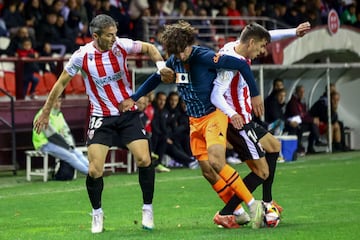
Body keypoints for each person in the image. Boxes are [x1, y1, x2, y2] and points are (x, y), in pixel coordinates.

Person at [33, 14, 174, 234]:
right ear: (96, 36)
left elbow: (149, 48)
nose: (114, 38)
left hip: (127, 113)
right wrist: (45, 111)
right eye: (109, 35)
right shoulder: (81, 56)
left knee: (144, 159)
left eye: (115, 33)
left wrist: (161, 66)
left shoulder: (121, 45)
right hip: (100, 118)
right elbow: (60, 84)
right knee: (95, 169)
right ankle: (97, 213)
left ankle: (147, 208)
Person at [120, 20, 265, 229]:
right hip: (194, 121)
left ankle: (253, 205)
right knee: (207, 171)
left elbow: (241, 64)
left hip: (214, 116)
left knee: (217, 162)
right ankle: (238, 213)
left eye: (182, 51)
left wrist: (256, 95)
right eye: (175, 52)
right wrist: (134, 97)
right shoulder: (174, 60)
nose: (180, 56)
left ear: (189, 43)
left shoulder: (204, 56)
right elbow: (155, 78)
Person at [210, 21, 311, 226]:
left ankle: (267, 202)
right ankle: (226, 212)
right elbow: (215, 94)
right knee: (261, 172)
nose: (263, 51)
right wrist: (232, 114)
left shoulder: (236, 45)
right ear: (251, 43)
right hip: (238, 124)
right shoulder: (231, 62)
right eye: (261, 46)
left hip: (245, 120)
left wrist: (294, 31)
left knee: (274, 146)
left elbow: (266, 35)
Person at [32, 95, 89, 175]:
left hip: (58, 142)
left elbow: (66, 132)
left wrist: (70, 144)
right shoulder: (43, 115)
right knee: (70, 155)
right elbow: (52, 136)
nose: (57, 103)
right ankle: (89, 173)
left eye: (59, 101)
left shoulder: (59, 114)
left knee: (77, 153)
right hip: (44, 143)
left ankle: (95, 170)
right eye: (54, 101)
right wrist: (67, 146)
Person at [285, 85, 327, 155]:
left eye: (303, 92)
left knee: (313, 124)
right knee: (312, 123)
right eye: (300, 92)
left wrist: (313, 119)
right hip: (294, 124)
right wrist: (312, 120)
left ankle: (312, 146)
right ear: (296, 92)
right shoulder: (292, 103)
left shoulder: (301, 102)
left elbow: (305, 115)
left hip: (301, 123)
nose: (302, 94)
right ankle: (315, 142)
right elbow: (298, 117)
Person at [310, 86, 348, 152]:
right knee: (331, 126)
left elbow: (334, 118)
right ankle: (331, 146)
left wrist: (334, 110)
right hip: (318, 124)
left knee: (337, 124)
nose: (336, 101)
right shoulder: (323, 102)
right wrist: (334, 110)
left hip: (326, 122)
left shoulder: (331, 103)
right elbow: (326, 118)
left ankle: (338, 145)